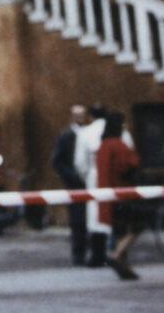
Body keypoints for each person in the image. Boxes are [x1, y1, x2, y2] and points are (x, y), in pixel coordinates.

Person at [73, 103, 131, 267]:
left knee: (96, 216)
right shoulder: (121, 131)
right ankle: (119, 251)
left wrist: (87, 176)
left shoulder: (85, 133)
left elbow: (80, 162)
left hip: (95, 176)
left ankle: (97, 256)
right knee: (118, 214)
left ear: (90, 116)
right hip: (118, 177)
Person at [95, 112, 143, 281]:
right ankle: (116, 255)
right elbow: (130, 166)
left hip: (108, 196)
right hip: (123, 193)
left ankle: (126, 266)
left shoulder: (103, 145)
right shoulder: (119, 145)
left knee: (120, 231)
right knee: (137, 226)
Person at [51, 104, 90, 265]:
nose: (80, 118)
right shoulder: (66, 135)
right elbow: (57, 161)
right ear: (72, 117)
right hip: (75, 184)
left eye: (82, 115)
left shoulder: (91, 133)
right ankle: (78, 253)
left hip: (90, 181)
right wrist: (72, 176)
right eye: (76, 115)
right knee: (78, 219)